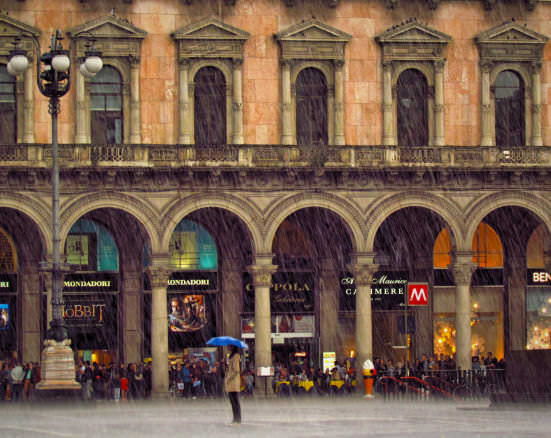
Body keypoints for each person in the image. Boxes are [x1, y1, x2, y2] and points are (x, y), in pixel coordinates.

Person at [225, 345, 241, 424]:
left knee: (235, 401)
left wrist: (229, 378)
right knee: (233, 401)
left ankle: (237, 419)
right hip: (231, 382)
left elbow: (236, 370)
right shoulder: (232, 356)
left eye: (229, 346)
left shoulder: (235, 356)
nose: (228, 347)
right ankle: (235, 418)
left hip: (233, 382)